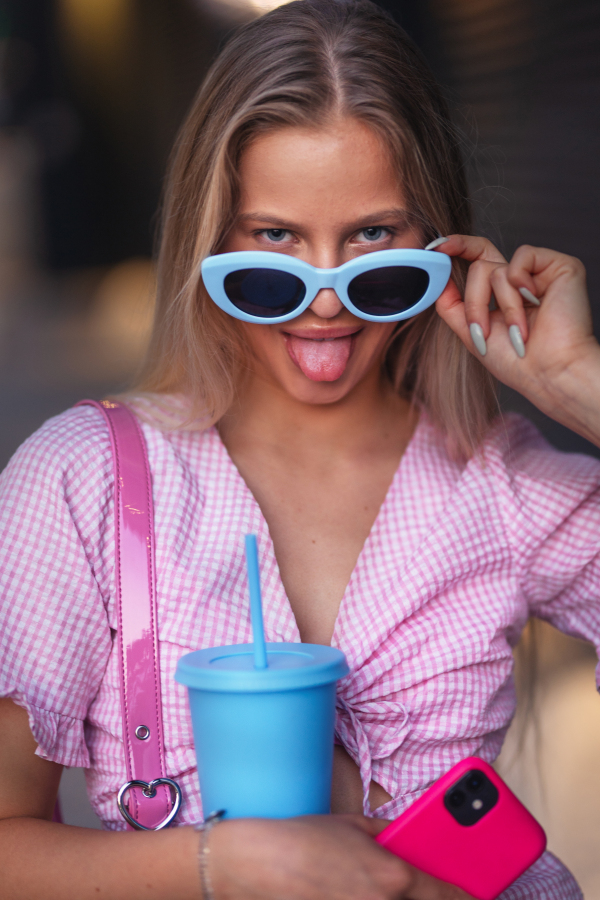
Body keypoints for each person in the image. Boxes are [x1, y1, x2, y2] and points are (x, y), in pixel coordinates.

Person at [1, 0, 599, 897]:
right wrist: (219, 865)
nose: (328, 301)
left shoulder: (505, 487)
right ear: (211, 241)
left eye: (372, 239)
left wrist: (578, 386)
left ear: (439, 246)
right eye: (274, 241)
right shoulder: (83, 481)